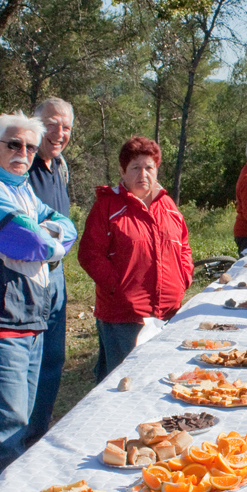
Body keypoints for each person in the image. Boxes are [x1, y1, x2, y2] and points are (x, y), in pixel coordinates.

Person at [0, 112, 77, 492]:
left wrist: (47, 234)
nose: (23, 152)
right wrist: (50, 241)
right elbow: (30, 241)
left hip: (29, 322)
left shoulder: (21, 190)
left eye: (30, 147)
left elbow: (67, 227)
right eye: (14, 144)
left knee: (4, 431)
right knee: (6, 434)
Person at [79, 136, 194, 382]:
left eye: (149, 167)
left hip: (168, 313)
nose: (143, 174)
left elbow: (183, 245)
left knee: (163, 381)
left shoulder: (168, 205)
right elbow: (90, 255)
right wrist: (119, 288)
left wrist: (184, 277)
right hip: (124, 318)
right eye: (135, 168)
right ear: (122, 171)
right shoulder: (107, 206)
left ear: (157, 170)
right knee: (123, 384)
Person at [27, 97, 74, 451]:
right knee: (32, 359)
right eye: (51, 124)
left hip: (56, 274)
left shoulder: (59, 165)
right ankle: (26, 437)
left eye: (66, 127)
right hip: (31, 277)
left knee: (54, 358)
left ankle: (39, 429)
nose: (59, 133)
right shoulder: (23, 165)